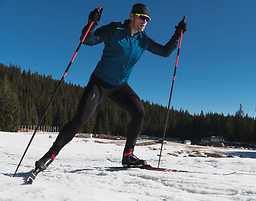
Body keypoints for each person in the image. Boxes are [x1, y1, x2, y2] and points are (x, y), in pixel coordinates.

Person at [34, 3, 187, 171]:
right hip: (99, 83)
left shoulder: (143, 40)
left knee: (139, 112)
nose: (145, 21)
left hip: (120, 86)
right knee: (81, 119)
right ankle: (50, 155)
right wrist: (91, 23)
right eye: (142, 17)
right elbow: (87, 40)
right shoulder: (115, 29)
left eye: (147, 19)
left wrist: (177, 35)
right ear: (131, 16)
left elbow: (165, 52)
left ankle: (128, 155)